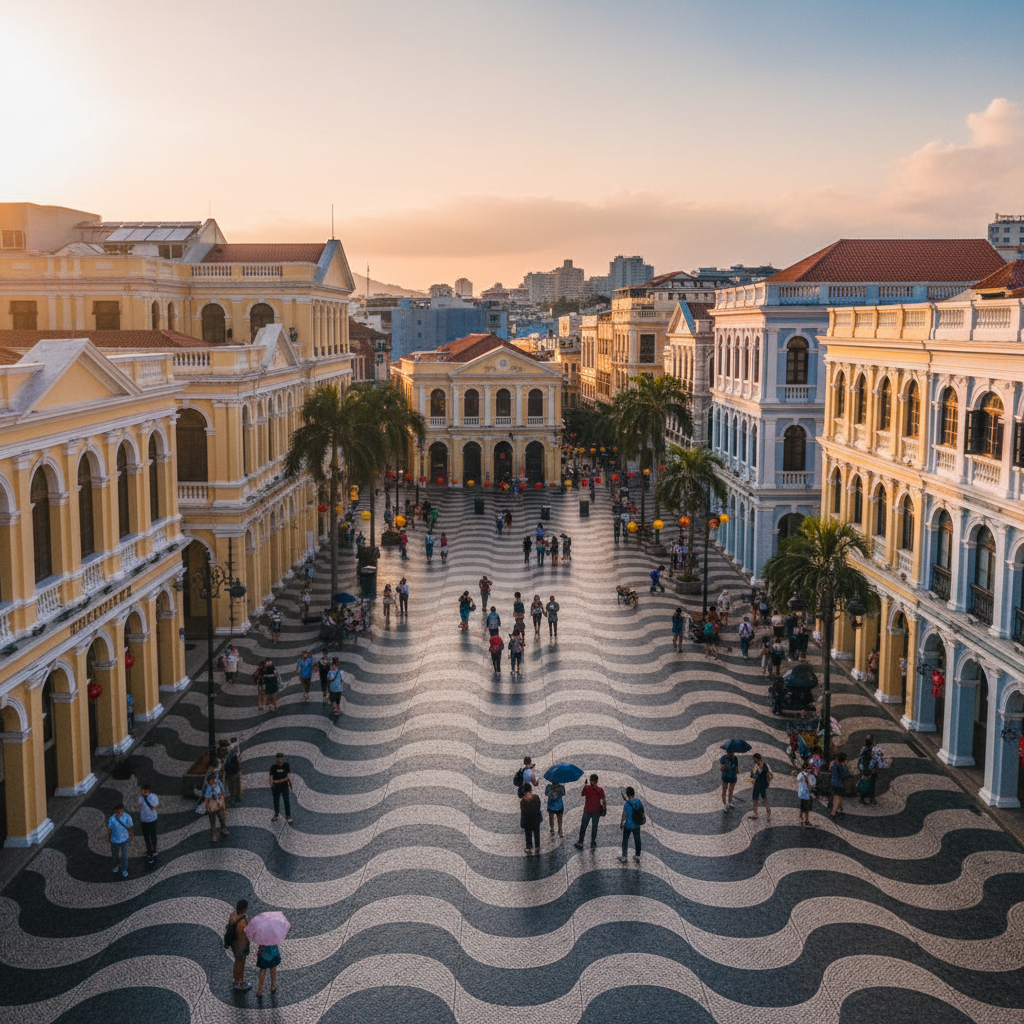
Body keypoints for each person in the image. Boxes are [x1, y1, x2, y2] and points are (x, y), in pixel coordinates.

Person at [574, 774, 606, 849]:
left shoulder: (586, 788)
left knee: (583, 827)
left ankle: (581, 842)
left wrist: (585, 785)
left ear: (590, 780)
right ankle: (592, 842)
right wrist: (604, 808)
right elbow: (604, 800)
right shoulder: (600, 790)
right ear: (597, 781)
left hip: (587, 810)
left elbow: (582, 794)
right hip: (596, 811)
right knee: (594, 827)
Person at [227, 899, 252, 991]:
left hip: (233, 944)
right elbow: (244, 937)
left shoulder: (233, 915)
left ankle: (235, 980)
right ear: (244, 909)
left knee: (237, 962)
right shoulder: (243, 923)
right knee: (241, 963)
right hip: (240, 946)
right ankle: (240, 982)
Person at [107, 801, 133, 877]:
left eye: (120, 812)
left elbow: (130, 829)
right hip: (114, 840)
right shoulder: (112, 818)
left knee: (124, 855)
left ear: (122, 811)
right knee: (115, 855)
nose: (118, 814)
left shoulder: (127, 817)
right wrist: (108, 837)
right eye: (117, 812)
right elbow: (109, 829)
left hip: (124, 840)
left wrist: (131, 839)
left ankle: (124, 869)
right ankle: (116, 865)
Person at [618, 786, 644, 863]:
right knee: (637, 840)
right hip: (636, 824)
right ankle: (637, 856)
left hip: (628, 825)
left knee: (625, 841)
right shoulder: (638, 801)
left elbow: (624, 815)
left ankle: (624, 857)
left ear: (627, 794)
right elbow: (642, 810)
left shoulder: (626, 804)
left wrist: (621, 824)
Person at [204, 769, 229, 843]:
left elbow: (222, 794)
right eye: (211, 781)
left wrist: (222, 802)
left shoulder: (219, 786)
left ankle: (223, 828)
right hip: (212, 806)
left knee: (222, 817)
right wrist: (207, 807)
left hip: (219, 804)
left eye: (214, 780)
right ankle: (214, 835)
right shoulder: (208, 789)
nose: (213, 782)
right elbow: (206, 798)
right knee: (212, 821)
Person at [269, 752, 293, 823]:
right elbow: (271, 778)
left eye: (281, 759)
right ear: (276, 759)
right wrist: (272, 783)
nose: (279, 761)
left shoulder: (286, 765)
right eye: (278, 759)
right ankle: (276, 814)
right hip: (276, 787)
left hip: (284, 786)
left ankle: (288, 815)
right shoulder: (273, 767)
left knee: (286, 800)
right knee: (276, 800)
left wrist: (277, 781)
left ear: (283, 759)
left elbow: (287, 777)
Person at [520, 782, 543, 855]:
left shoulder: (523, 800)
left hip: (527, 820)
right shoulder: (536, 797)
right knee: (537, 832)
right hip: (536, 818)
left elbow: (523, 811)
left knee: (528, 834)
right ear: (531, 789)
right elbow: (539, 806)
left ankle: (529, 848)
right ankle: (537, 846)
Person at [748, 753, 772, 821]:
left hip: (761, 784)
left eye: (756, 761)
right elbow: (752, 774)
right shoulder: (758, 766)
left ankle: (766, 812)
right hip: (759, 784)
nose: (756, 762)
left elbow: (770, 774)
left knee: (760, 798)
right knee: (758, 798)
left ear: (759, 759)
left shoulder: (764, 766)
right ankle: (757, 813)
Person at [857, 734, 879, 804]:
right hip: (868, 770)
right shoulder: (868, 751)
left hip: (866, 770)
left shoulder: (865, 750)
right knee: (869, 783)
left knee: (867, 783)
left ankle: (866, 797)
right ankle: (867, 798)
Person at [223, 738, 243, 805]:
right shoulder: (233, 751)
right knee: (232, 785)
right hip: (231, 770)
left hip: (233, 770)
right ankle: (234, 798)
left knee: (235, 785)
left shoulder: (233, 750)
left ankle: (237, 799)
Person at [830, 752, 850, 818]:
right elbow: (846, 775)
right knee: (838, 796)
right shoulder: (843, 767)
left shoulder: (834, 765)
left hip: (833, 783)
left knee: (836, 796)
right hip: (840, 784)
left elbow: (831, 770)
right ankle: (834, 811)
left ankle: (839, 808)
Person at [796, 761, 815, 827]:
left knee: (803, 805)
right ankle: (806, 820)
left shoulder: (801, 775)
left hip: (802, 793)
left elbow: (798, 779)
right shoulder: (811, 776)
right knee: (807, 807)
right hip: (807, 793)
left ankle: (801, 816)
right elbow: (813, 784)